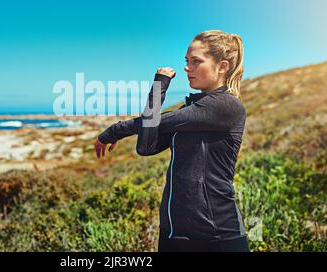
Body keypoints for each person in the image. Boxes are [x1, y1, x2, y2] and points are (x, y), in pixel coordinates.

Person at [94, 30, 250, 252]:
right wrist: (158, 88)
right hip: (173, 234)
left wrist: (113, 131)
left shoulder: (226, 106)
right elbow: (146, 147)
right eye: (187, 61)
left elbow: (156, 122)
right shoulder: (190, 109)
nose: (188, 68)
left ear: (222, 66)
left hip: (216, 236)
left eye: (196, 61)